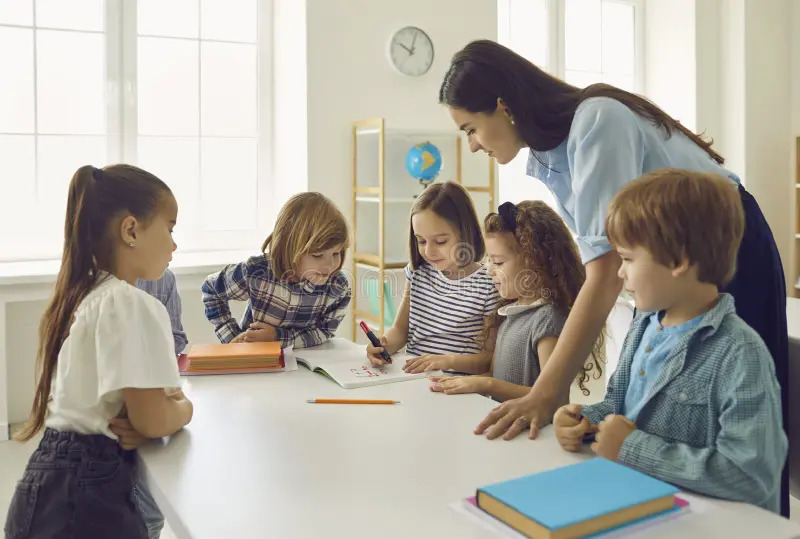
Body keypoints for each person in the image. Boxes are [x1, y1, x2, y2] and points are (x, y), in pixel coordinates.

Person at [554, 169, 786, 514]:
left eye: (628, 259)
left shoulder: (740, 353)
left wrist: (631, 448)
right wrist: (585, 421)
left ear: (679, 261)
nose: (619, 272)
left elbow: (749, 476)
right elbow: (618, 409)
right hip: (641, 507)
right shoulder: (644, 326)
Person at [4, 165, 193, 538]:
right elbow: (153, 420)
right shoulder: (133, 304)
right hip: (87, 496)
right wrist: (184, 408)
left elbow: (131, 411)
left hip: (44, 486)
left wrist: (146, 413)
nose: (174, 244)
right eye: (170, 229)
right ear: (131, 230)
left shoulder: (86, 297)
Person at [429, 201, 602, 401]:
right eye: (489, 260)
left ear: (536, 261)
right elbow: (495, 377)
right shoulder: (509, 314)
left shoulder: (547, 320)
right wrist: (455, 382)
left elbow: (553, 398)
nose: (489, 270)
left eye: (498, 262)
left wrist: (486, 383)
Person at [366, 182, 501, 374]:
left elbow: (489, 360)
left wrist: (446, 361)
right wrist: (382, 347)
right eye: (421, 240)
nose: (428, 251)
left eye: (440, 241)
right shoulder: (417, 272)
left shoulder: (488, 283)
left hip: (455, 387)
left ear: (464, 232)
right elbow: (399, 330)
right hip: (412, 380)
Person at [202, 192, 351, 349]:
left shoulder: (338, 286)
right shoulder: (257, 272)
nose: (330, 265)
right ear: (290, 247)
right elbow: (211, 290)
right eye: (318, 255)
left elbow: (324, 332)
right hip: (254, 364)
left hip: (304, 367)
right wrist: (232, 339)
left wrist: (277, 338)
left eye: (336, 253)